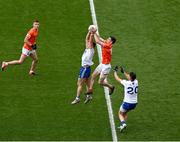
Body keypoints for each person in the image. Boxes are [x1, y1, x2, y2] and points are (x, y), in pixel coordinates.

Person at [85, 32, 116, 102]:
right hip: (102, 64)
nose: (107, 39)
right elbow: (99, 38)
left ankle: (111, 86)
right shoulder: (107, 43)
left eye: (108, 39)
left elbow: (98, 41)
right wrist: (95, 32)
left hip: (106, 67)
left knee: (100, 82)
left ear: (111, 42)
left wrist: (93, 32)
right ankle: (90, 89)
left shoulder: (108, 46)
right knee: (92, 76)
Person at [71, 30, 96, 105]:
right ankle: (89, 96)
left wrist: (92, 34)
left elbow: (90, 40)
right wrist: (88, 32)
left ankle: (77, 98)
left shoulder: (91, 50)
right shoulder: (88, 49)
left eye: (89, 43)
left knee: (79, 84)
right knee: (87, 83)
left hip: (84, 69)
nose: (87, 43)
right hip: (86, 68)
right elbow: (86, 39)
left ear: (91, 45)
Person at [113, 66, 138, 132]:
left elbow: (117, 79)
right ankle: (122, 125)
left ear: (130, 77)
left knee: (120, 113)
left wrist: (115, 72)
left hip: (127, 103)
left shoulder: (126, 83)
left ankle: (123, 124)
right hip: (134, 103)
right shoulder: (136, 82)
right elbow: (130, 77)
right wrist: (124, 72)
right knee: (125, 113)